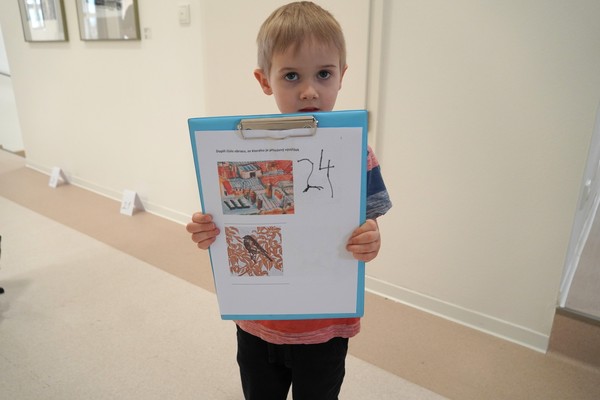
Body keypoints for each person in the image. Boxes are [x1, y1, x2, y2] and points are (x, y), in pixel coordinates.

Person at [186, 2, 392, 399]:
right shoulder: (241, 150)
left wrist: (371, 238)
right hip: (258, 322)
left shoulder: (355, 153)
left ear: (342, 76)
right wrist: (207, 229)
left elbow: (370, 224)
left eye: (324, 74)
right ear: (265, 80)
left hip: (326, 326)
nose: (309, 90)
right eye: (292, 75)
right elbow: (231, 223)